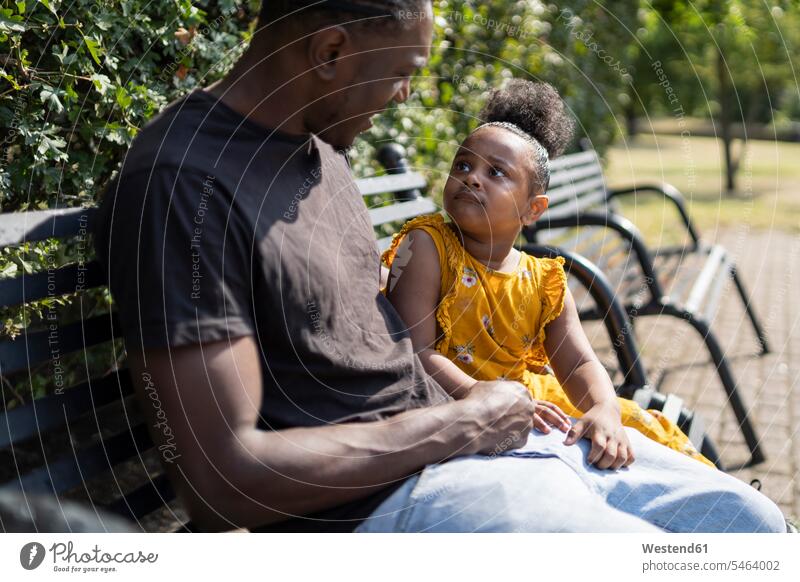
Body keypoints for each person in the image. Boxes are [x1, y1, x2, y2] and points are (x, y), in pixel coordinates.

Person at [94, 0, 787, 532]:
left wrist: (483, 418)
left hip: (479, 448)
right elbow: (224, 477)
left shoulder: (321, 153)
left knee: (750, 529)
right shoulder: (186, 183)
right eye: (401, 73)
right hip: (384, 500)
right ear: (330, 51)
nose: (403, 97)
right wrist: (463, 423)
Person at [381, 79, 714, 471]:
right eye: (463, 165)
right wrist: (478, 393)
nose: (472, 177)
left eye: (496, 173)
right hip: (453, 408)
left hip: (527, 400)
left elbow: (578, 365)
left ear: (532, 209)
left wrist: (603, 407)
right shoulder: (428, 246)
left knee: (639, 427)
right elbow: (415, 352)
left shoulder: (542, 281)